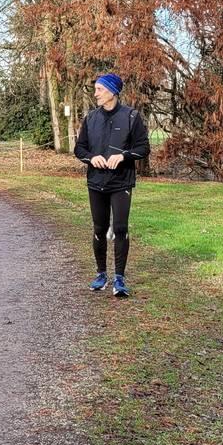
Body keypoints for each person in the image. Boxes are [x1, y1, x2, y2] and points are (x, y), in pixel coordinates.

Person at [74, 73, 150, 298]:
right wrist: (91, 158)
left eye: (100, 89)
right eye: (95, 89)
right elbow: (79, 149)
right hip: (96, 182)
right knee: (99, 228)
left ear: (112, 92)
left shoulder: (131, 117)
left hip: (121, 182)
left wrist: (123, 156)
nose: (95, 93)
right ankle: (101, 274)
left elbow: (143, 148)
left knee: (120, 228)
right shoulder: (90, 118)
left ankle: (119, 278)